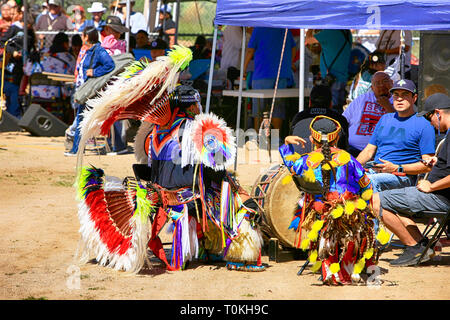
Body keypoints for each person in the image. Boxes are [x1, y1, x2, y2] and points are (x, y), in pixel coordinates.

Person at [73, 47, 266, 273]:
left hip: (160, 194)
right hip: (186, 196)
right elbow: (217, 167)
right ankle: (240, 255)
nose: (198, 108)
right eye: (197, 104)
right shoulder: (198, 129)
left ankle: (205, 244)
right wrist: (234, 187)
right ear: (192, 105)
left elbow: (146, 164)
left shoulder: (151, 132)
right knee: (236, 196)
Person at [279, 115, 377, 285]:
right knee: (359, 213)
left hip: (321, 214)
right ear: (337, 138)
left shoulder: (306, 160)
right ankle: (353, 266)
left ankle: (331, 267)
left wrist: (287, 144)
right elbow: (366, 184)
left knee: (312, 207)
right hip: (350, 215)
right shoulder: (347, 158)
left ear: (311, 139)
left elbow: (290, 165)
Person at [371, 93, 450, 266]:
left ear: (438, 113)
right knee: (395, 200)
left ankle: (414, 247)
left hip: (440, 197)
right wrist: (438, 161)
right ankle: (422, 245)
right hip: (438, 195)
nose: (430, 123)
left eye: (430, 118)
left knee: (376, 200)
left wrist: (432, 186)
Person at [356, 79, 436, 192]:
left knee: (367, 181)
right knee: (347, 178)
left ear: (414, 98)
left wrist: (397, 167)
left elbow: (428, 165)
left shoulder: (424, 124)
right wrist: (352, 167)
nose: (399, 99)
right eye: (396, 95)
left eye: (405, 95)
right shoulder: (385, 118)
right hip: (374, 170)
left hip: (402, 176)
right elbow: (369, 151)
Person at [65, 27, 115, 157]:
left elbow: (110, 65)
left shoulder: (98, 51)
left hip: (91, 91)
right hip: (85, 90)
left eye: (82, 35)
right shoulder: (88, 51)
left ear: (87, 37)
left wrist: (94, 72)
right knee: (82, 119)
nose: (81, 38)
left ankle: (77, 149)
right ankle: (77, 149)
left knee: (83, 119)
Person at [243, 27, 296, 130]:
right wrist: (288, 63)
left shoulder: (259, 29)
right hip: (282, 74)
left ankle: (258, 140)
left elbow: (250, 50)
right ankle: (276, 140)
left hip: (262, 74)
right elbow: (293, 47)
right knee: (277, 109)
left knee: (258, 109)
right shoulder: (284, 28)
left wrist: (243, 69)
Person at [285, 84, 349, 154]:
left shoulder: (298, 117)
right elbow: (345, 147)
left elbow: (289, 144)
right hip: (334, 160)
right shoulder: (340, 119)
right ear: (331, 103)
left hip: (299, 160)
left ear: (310, 102)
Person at [343, 71, 395, 157]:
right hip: (353, 149)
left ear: (392, 83)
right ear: (372, 87)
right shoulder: (362, 98)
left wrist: (388, 106)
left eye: (385, 81)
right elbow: (344, 120)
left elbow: (401, 125)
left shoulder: (398, 101)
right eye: (377, 83)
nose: (381, 85)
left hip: (382, 153)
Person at [0, 8, 36, 119]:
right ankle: (12, 114)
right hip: (11, 64)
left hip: (23, 65)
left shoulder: (29, 32)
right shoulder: (14, 29)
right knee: (12, 88)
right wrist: (13, 52)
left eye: (30, 25)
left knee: (19, 89)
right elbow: (3, 43)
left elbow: (32, 46)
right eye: (27, 24)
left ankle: (16, 112)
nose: (28, 27)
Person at [101, 15, 129, 155]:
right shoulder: (108, 46)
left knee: (116, 115)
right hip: (109, 85)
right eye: (113, 30)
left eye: (118, 31)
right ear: (106, 29)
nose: (116, 34)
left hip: (117, 85)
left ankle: (119, 146)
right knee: (109, 115)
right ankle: (112, 145)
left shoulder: (119, 46)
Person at [305, 29, 352, 112]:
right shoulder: (347, 32)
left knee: (331, 111)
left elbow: (308, 40)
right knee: (338, 109)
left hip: (331, 80)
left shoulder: (330, 32)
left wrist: (311, 28)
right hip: (342, 78)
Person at [24, 31, 76, 100]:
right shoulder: (69, 58)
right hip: (57, 93)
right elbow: (75, 73)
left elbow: (27, 71)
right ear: (65, 44)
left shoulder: (41, 53)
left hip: (34, 91)